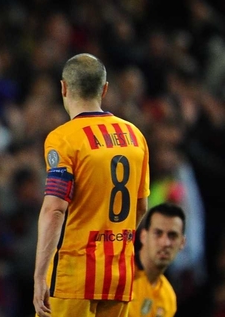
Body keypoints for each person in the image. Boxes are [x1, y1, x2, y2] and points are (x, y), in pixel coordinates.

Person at [33, 53, 150, 317]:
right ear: (105, 89)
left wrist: (40, 276)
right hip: (120, 273)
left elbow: (54, 209)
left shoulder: (63, 139)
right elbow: (141, 206)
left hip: (75, 274)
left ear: (63, 87)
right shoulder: (135, 136)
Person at [128, 203, 185, 317]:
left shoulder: (168, 298)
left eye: (172, 236)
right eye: (158, 233)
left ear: (182, 242)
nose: (165, 243)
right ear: (143, 236)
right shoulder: (121, 276)